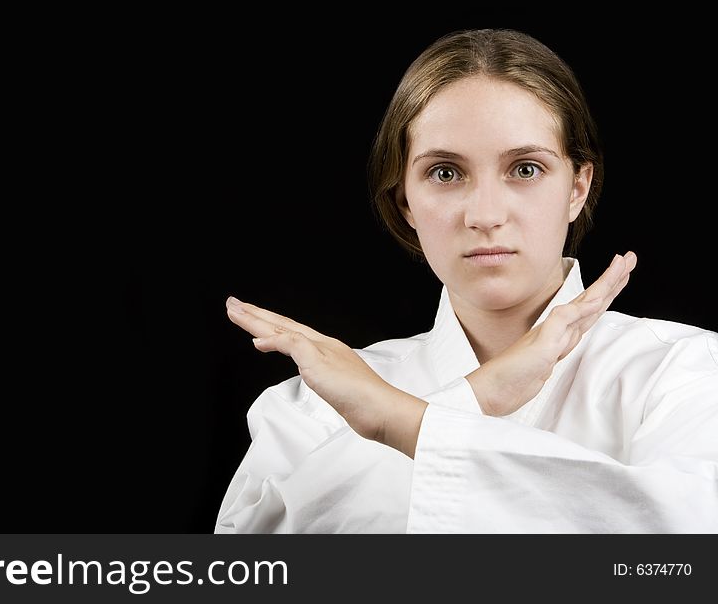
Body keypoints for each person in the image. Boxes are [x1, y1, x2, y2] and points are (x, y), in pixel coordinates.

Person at [214, 29, 718, 533]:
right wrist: (479, 395)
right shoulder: (313, 406)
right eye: (445, 174)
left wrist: (402, 422)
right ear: (404, 202)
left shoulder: (683, 371)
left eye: (525, 168)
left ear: (577, 187)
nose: (485, 214)